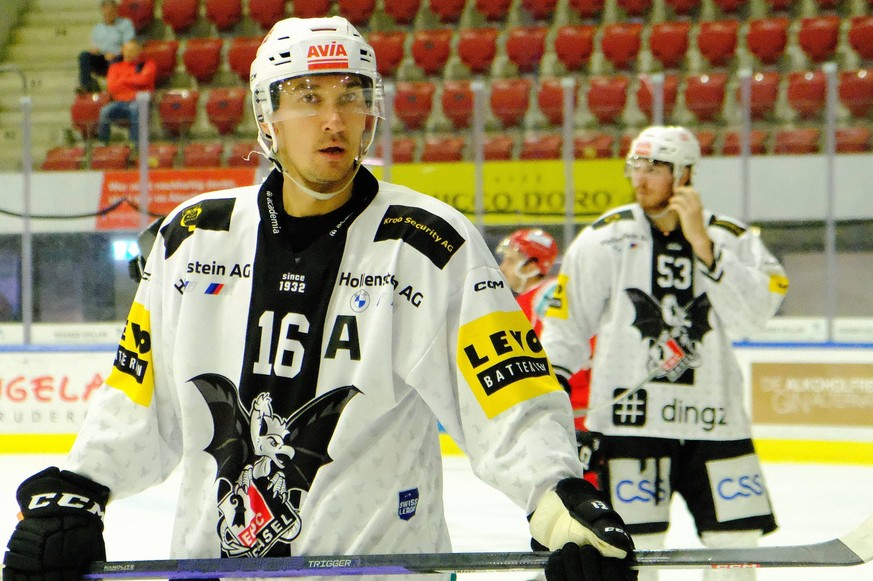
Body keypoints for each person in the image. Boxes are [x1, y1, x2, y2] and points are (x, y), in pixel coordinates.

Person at [3, 16, 637, 581]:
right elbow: (138, 398)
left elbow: (508, 402)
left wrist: (558, 499)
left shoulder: (429, 245)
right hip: (209, 568)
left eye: (351, 97)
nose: (334, 119)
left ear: (371, 111)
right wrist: (80, 486)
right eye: (308, 99)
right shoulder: (192, 238)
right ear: (267, 116)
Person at [540, 126, 789, 581]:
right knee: (634, 548)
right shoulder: (605, 238)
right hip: (630, 423)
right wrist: (554, 391)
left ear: (687, 172)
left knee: (735, 547)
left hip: (715, 421)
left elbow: (753, 318)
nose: (641, 177)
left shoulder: (732, 238)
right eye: (636, 165)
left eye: (655, 167)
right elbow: (565, 321)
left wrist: (703, 246)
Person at [496, 229, 599, 484]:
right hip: (572, 411)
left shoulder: (546, 295)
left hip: (574, 412)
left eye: (510, 260)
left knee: (574, 490)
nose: (502, 267)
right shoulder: (537, 297)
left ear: (532, 266)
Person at [97, 39, 156, 146]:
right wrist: (134, 82)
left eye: (132, 50)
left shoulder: (148, 65)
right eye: (127, 50)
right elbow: (112, 87)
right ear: (122, 51)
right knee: (105, 111)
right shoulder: (114, 67)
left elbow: (144, 80)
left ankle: (135, 144)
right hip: (120, 102)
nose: (129, 53)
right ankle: (103, 144)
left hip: (140, 101)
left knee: (135, 108)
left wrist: (123, 80)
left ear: (139, 52)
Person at [77, 0, 136, 94]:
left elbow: (130, 46)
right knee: (84, 56)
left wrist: (116, 53)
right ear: (102, 11)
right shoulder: (98, 28)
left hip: (119, 57)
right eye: (106, 13)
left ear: (116, 11)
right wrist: (97, 52)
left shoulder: (125, 24)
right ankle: (85, 86)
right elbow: (94, 47)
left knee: (117, 59)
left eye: (111, 12)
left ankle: (114, 90)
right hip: (102, 57)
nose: (108, 15)